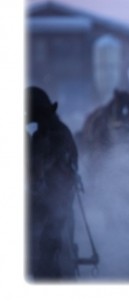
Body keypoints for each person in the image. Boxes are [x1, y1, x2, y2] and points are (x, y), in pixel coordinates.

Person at [26, 86, 80, 280]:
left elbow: (43, 172)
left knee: (49, 243)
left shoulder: (50, 135)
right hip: (52, 200)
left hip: (54, 201)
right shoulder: (50, 133)